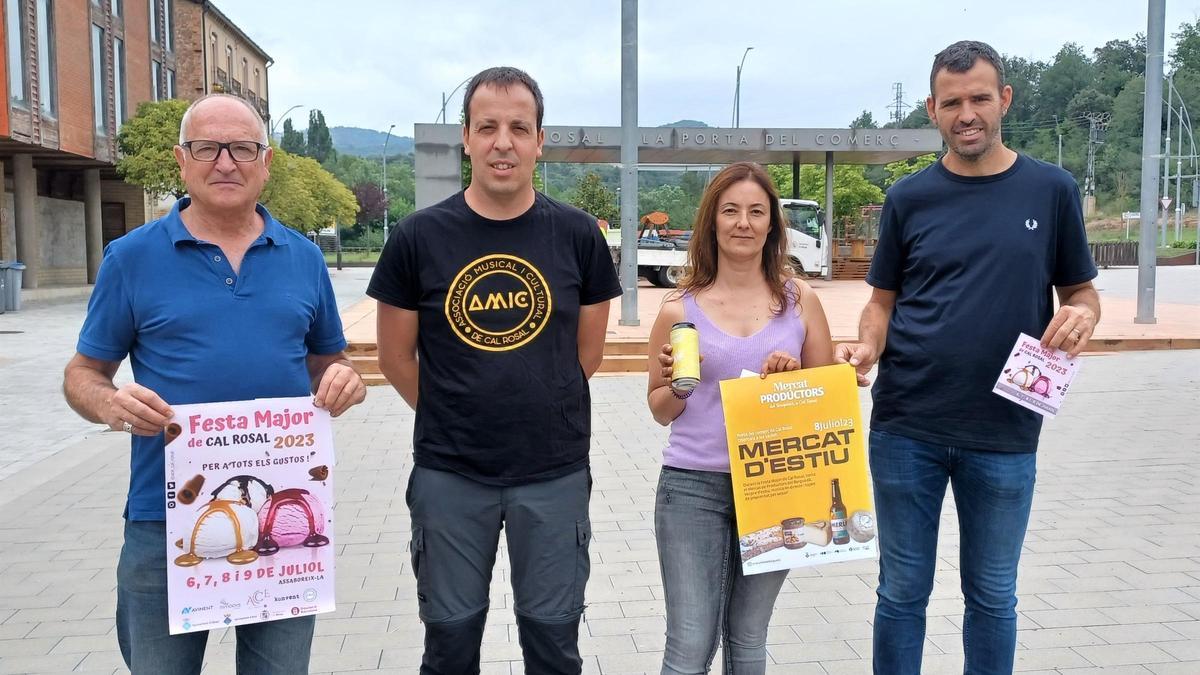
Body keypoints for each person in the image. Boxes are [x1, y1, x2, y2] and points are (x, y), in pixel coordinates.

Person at [63, 93, 366, 674]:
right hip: (165, 518)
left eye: (243, 148)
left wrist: (343, 382)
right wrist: (109, 402)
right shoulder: (130, 258)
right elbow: (83, 373)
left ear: (266, 161)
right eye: (208, 147)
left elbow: (328, 361)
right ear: (182, 160)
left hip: (282, 515)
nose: (226, 162)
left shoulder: (303, 259)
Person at [835, 41, 1101, 675]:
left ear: (1005, 99)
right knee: (901, 595)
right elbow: (882, 303)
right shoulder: (909, 198)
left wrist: (1085, 316)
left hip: (1006, 429)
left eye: (980, 98)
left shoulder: (1051, 190)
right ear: (933, 109)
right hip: (906, 428)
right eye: (952, 102)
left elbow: (1080, 292)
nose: (967, 113)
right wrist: (867, 344)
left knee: (993, 597)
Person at [368, 66, 621, 674]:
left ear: (539, 140)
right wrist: (457, 412)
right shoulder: (417, 236)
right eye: (488, 127)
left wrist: (537, 403)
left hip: (554, 474)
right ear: (466, 138)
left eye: (518, 128)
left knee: (554, 648)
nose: (502, 142)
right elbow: (395, 358)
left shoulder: (578, 235)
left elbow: (587, 354)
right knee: (450, 648)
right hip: (450, 475)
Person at [647, 162, 835, 675]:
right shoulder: (677, 309)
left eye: (756, 212)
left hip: (779, 484)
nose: (743, 223)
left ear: (773, 224)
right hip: (692, 487)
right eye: (730, 211)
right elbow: (660, 409)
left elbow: (827, 399)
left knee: (749, 639)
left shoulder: (800, 300)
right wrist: (680, 386)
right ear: (712, 221)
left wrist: (789, 382)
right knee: (689, 643)